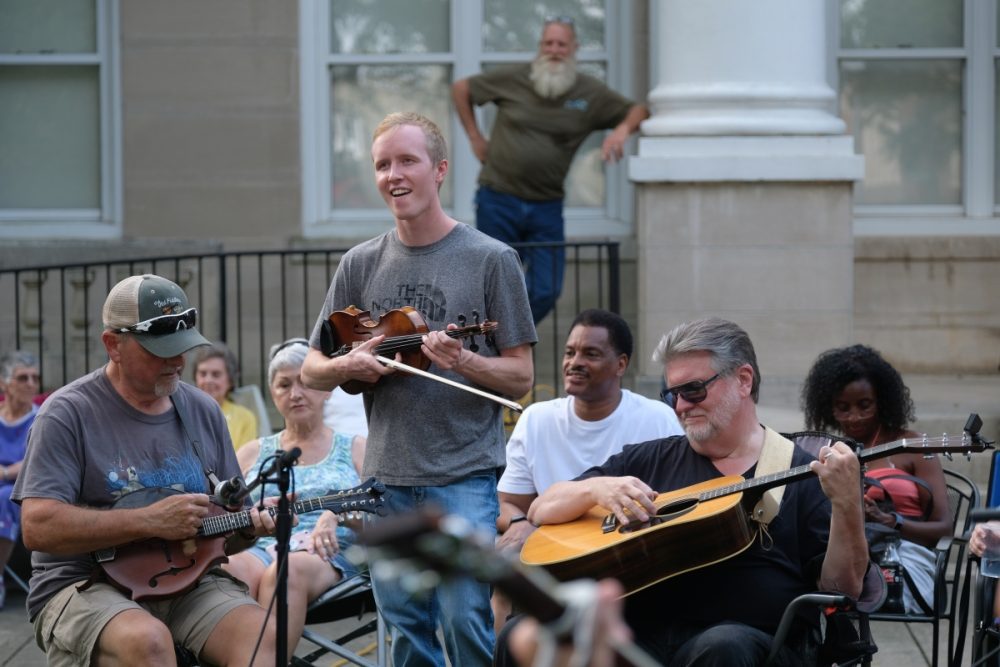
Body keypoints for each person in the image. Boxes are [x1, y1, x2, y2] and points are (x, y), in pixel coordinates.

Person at [301, 111, 537, 667]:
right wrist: (348, 367)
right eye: (383, 164)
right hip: (386, 480)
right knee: (406, 632)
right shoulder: (360, 263)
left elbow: (521, 376)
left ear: (440, 170)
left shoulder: (492, 259)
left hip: (461, 476)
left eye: (407, 160)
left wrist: (464, 361)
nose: (393, 175)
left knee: (463, 620)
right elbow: (312, 365)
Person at [525, 317, 869, 664]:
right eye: (671, 394)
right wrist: (595, 489)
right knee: (530, 635)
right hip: (643, 639)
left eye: (693, 390)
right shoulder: (650, 458)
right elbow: (541, 508)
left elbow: (844, 590)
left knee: (722, 646)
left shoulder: (802, 471)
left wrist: (847, 505)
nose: (680, 406)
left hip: (758, 646)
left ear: (743, 381)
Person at [11, 274, 281, 666]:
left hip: (188, 582)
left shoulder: (203, 410)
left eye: (183, 347)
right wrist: (149, 521)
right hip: (84, 582)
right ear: (113, 345)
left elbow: (232, 536)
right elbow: (38, 527)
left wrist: (250, 526)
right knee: (149, 641)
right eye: (161, 350)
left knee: (262, 635)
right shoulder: (67, 413)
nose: (177, 361)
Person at [452, 16, 650, 324]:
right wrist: (475, 137)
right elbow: (461, 89)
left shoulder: (589, 92)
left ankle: (505, 340)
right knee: (491, 286)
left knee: (546, 289)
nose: (554, 50)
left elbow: (640, 110)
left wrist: (621, 130)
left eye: (561, 44)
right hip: (498, 200)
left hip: (546, 206)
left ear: (574, 49)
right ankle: (500, 350)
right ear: (540, 47)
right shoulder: (515, 78)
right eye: (548, 43)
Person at [493, 308, 682, 631]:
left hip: (629, 555)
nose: (574, 362)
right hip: (554, 551)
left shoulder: (656, 418)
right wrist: (521, 522)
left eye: (590, 354)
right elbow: (505, 502)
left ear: (621, 364)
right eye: (570, 352)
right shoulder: (537, 419)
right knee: (504, 566)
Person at [224, 338, 365, 663]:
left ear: (328, 388)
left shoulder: (356, 448)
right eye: (284, 385)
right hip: (259, 549)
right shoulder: (252, 453)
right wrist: (250, 518)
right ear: (273, 394)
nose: (295, 393)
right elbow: (223, 513)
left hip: (333, 555)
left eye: (305, 381)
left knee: (286, 571)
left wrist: (337, 513)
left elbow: (385, 510)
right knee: (222, 571)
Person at [801, 343, 950, 614]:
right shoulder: (828, 453)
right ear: (828, 407)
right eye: (842, 407)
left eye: (864, 405)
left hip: (900, 564)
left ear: (882, 400)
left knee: (838, 597)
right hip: (844, 560)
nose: (854, 416)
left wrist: (890, 521)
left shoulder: (910, 445)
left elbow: (944, 527)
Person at [0, 349, 40, 610]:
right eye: (22, 378)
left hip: (22, 491)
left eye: (34, 378)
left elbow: (37, 459)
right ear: (4, 384)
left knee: (3, 497)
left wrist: (4, 473)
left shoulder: (41, 419)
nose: (30, 384)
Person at [193, 341, 259, 449]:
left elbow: (244, 462)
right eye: (203, 373)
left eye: (216, 374)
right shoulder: (182, 412)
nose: (208, 380)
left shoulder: (245, 417)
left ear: (230, 380)